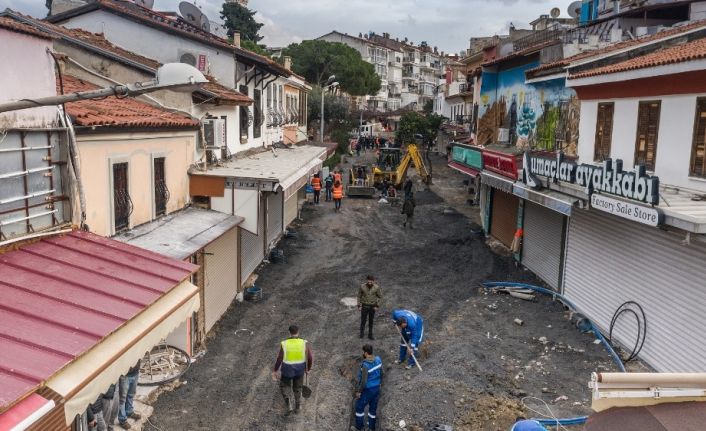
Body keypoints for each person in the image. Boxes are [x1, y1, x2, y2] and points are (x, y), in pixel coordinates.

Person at [272, 325, 313, 415]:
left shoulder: (285, 343)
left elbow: (279, 358)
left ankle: (289, 404)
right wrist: (308, 369)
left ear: (289, 333)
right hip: (299, 370)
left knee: (284, 387)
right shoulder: (303, 343)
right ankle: (297, 408)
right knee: (297, 388)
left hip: (287, 370)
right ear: (298, 332)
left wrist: (275, 370)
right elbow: (309, 357)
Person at [352, 344, 382, 431]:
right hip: (377, 388)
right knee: (373, 408)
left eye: (363, 352)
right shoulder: (378, 359)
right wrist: (380, 383)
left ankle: (359, 427)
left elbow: (363, 381)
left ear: (365, 353)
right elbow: (382, 373)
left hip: (368, 390)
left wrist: (358, 392)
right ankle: (371, 428)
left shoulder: (365, 365)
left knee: (359, 407)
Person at [118, 361, 141, 429]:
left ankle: (129, 411)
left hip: (135, 372)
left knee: (131, 394)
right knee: (122, 399)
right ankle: (122, 420)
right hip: (125, 375)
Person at [357, 275, 383, 340]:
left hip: (372, 307)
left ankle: (370, 334)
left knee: (371, 321)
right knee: (363, 320)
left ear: (373, 281)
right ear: (367, 280)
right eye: (369, 281)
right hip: (364, 306)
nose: (370, 282)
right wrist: (359, 305)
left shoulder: (376, 287)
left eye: (371, 281)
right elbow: (359, 296)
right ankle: (361, 334)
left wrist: (377, 306)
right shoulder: (362, 286)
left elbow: (381, 297)